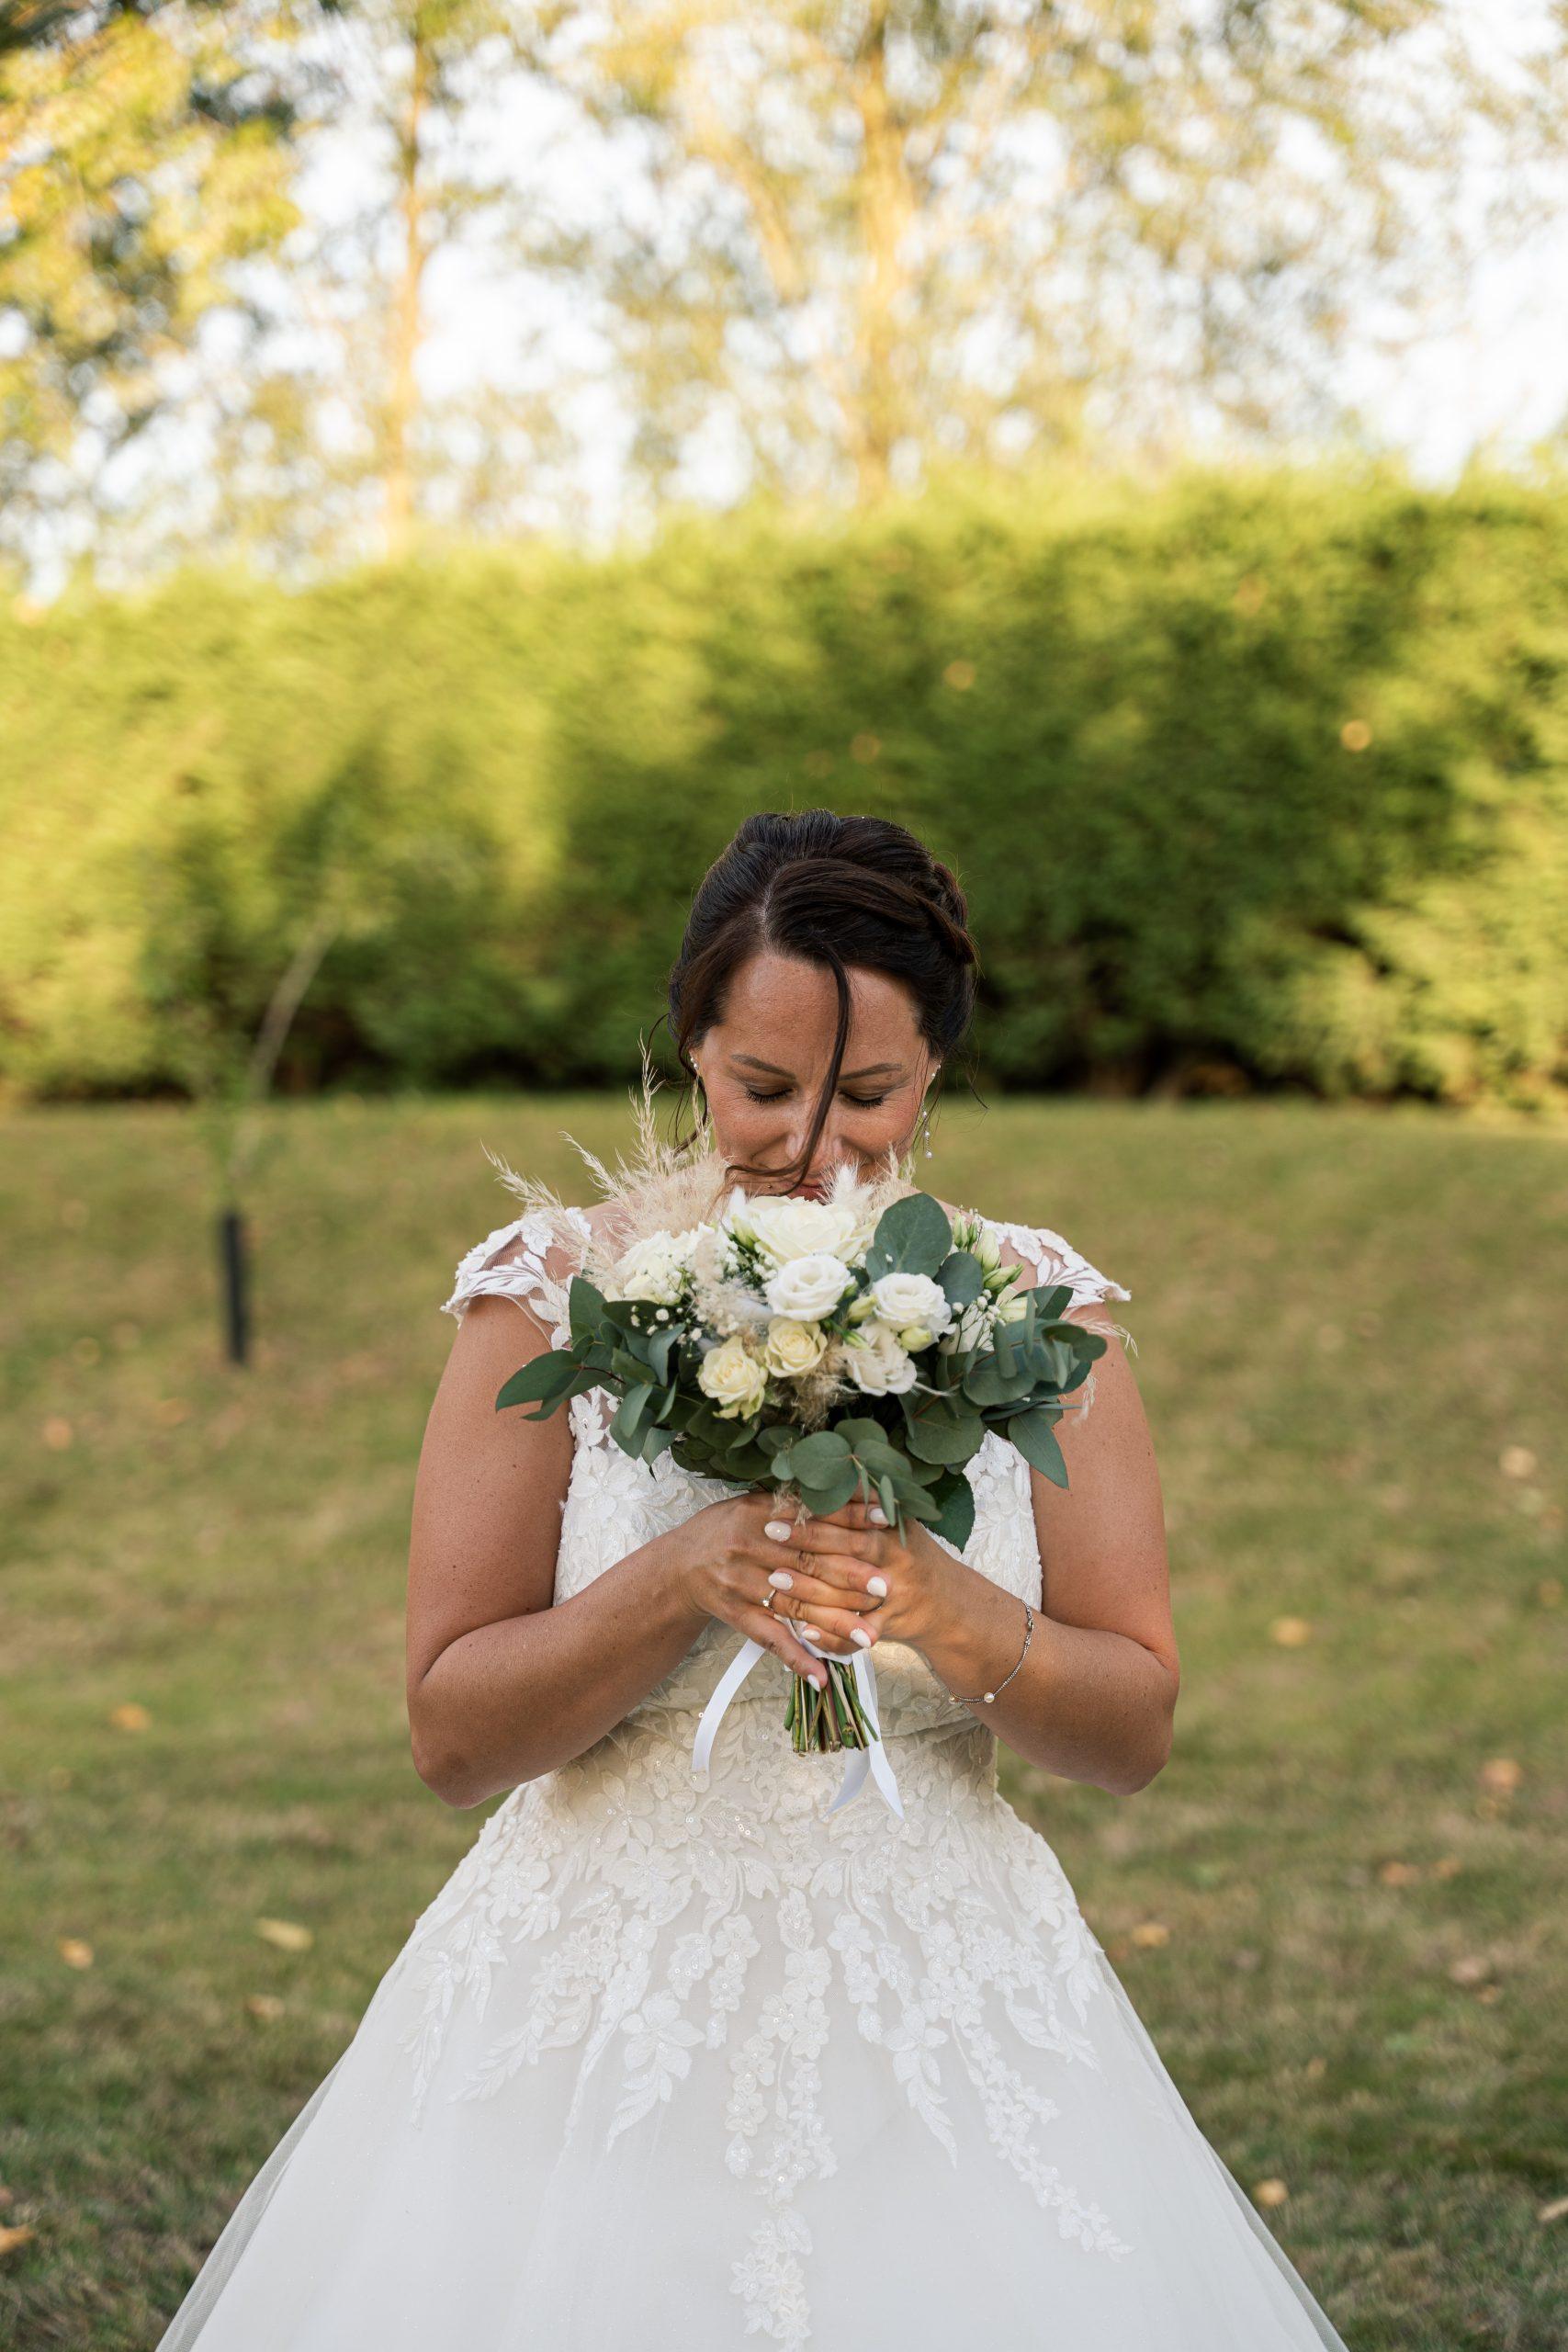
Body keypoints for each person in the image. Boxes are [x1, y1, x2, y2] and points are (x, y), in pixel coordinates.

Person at [154, 810, 1350, 2348]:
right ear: (694, 1052)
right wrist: (678, 1579)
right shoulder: (553, 1300)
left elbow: (1132, 1735)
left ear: (937, 1071)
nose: (815, 1148)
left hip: (939, 2006)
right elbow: (453, 1739)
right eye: (764, 1088)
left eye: (872, 1095)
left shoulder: (1041, 1319)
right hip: (597, 2017)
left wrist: (944, 1609)